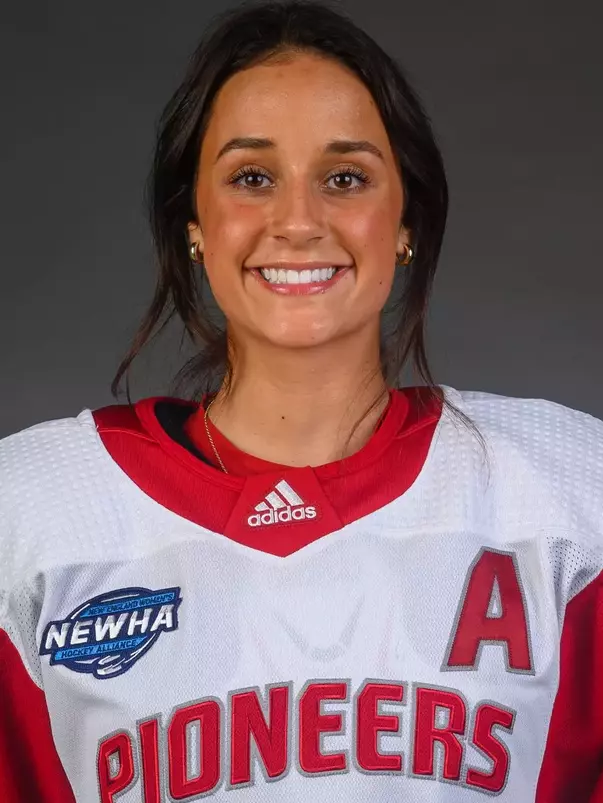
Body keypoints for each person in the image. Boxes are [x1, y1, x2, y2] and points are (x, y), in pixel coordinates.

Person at [1, 1, 601, 801]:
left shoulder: (564, 496)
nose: (297, 221)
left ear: (404, 220)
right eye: (252, 178)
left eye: (344, 178)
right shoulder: (34, 515)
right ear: (194, 224)